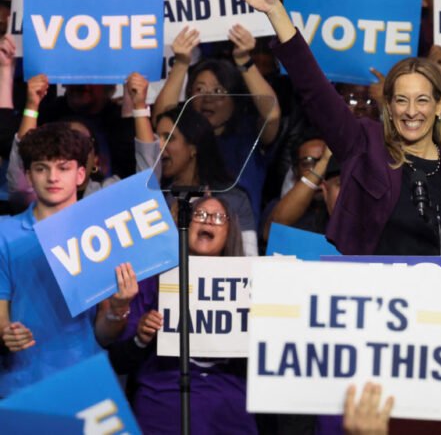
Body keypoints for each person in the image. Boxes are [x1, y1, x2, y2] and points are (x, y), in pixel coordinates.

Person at [224, 0, 441, 256]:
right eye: (401, 100)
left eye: (421, 100)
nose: (411, 111)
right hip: (373, 285)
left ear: (439, 105)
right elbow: (315, 91)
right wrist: (276, 11)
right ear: (388, 106)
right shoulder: (366, 146)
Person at [0, 123, 138, 397]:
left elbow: (104, 334)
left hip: (84, 383)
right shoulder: (5, 233)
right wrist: (6, 331)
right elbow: (1, 316)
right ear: (28, 175)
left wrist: (119, 307)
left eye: (63, 168)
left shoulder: (102, 235)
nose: (52, 177)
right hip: (21, 385)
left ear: (81, 174)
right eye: (41, 168)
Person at [114, 196, 258, 434]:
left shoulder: (251, 286)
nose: (208, 221)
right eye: (199, 215)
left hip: (228, 412)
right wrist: (141, 338)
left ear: (229, 231)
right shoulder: (155, 278)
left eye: (218, 217)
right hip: (162, 407)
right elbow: (119, 361)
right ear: (185, 225)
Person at [153, 24, 281, 218]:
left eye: (219, 91)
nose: (207, 98)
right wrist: (181, 63)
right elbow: (162, 118)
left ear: (234, 98)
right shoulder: (184, 140)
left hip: (240, 233)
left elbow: (272, 113)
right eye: (199, 90)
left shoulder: (249, 136)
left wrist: (244, 60)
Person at [7, 73, 159, 209]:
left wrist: (139, 106)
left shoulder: (107, 195)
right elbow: (20, 185)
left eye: (81, 142)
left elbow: (148, 184)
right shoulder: (38, 197)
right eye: (61, 142)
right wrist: (32, 106)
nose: (71, 149)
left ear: (96, 160)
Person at [154, 106, 258, 256]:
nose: (159, 146)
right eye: (156, 139)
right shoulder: (157, 201)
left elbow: (250, 259)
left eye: (169, 138)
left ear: (193, 147)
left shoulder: (234, 199)